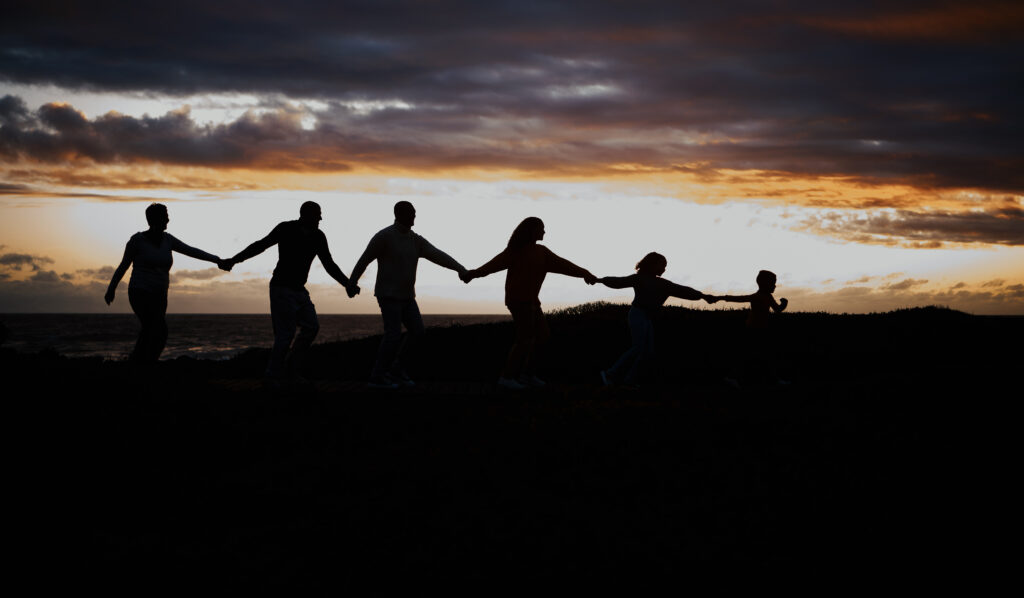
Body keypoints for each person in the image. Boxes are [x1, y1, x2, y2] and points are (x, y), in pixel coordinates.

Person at [222, 201, 357, 383]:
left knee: (311, 327)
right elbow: (260, 245)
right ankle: (273, 376)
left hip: (300, 291)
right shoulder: (286, 228)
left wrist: (347, 284)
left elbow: (329, 264)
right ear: (306, 215)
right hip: (281, 288)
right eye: (318, 215)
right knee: (285, 335)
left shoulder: (318, 236)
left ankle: (290, 370)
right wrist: (234, 260)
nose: (320, 219)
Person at [463, 217, 597, 390]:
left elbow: (564, 265)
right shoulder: (515, 251)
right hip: (518, 301)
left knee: (543, 336)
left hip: (533, 301)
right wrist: (473, 274)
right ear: (530, 230)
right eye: (541, 228)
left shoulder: (542, 252)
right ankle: (507, 377)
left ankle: (527, 375)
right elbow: (492, 266)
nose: (544, 232)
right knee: (525, 339)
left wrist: (584, 273)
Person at [348, 201, 467, 388]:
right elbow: (364, 259)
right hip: (388, 296)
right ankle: (377, 377)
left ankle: (396, 369)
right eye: (411, 213)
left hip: (407, 297)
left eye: (415, 213)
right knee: (393, 335)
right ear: (399, 214)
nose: (414, 217)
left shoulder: (416, 240)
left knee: (418, 332)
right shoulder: (384, 236)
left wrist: (460, 269)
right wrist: (352, 282)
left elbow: (437, 255)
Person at [105, 203, 227, 363]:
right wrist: (111, 289)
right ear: (155, 219)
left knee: (154, 331)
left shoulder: (168, 240)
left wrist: (217, 260)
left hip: (160, 294)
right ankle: (141, 364)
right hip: (140, 291)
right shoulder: (137, 240)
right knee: (156, 329)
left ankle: (142, 363)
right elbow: (123, 266)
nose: (168, 219)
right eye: (165, 215)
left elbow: (191, 250)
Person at [598, 252, 716, 387]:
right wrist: (600, 280)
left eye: (665, 266)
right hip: (637, 314)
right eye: (662, 265)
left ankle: (629, 381)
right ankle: (610, 374)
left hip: (647, 318)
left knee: (647, 352)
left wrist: (703, 296)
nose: (664, 269)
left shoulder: (664, 284)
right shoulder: (639, 279)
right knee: (639, 348)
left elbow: (684, 291)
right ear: (651, 264)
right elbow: (618, 282)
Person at [707, 269, 789, 385]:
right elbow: (738, 299)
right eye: (773, 283)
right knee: (747, 355)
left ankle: (772, 378)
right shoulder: (757, 297)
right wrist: (720, 298)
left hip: (762, 330)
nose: (775, 286)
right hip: (752, 331)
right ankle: (733, 377)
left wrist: (783, 304)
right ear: (765, 283)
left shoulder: (769, 297)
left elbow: (777, 310)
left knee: (765, 356)